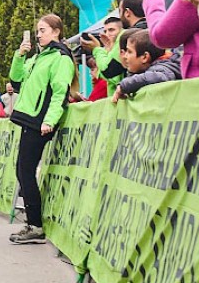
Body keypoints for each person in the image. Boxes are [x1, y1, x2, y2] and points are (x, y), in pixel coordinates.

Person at [7, 14, 75, 245]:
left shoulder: (60, 58)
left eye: (43, 30)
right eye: (37, 30)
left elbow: (60, 92)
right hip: (29, 118)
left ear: (56, 31)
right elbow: (16, 79)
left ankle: (35, 225)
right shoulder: (38, 57)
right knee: (22, 171)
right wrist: (20, 55)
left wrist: (50, 120)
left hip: (40, 121)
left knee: (25, 171)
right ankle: (33, 222)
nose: (38, 34)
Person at [112, 30, 180, 101]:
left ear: (145, 57)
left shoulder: (162, 68)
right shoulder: (147, 70)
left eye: (129, 52)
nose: (125, 56)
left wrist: (125, 85)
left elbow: (160, 77)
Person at [79, 16, 124, 96]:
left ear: (121, 30)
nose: (107, 34)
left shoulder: (121, 45)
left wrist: (96, 49)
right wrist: (107, 51)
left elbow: (110, 75)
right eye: (105, 31)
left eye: (111, 30)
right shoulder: (109, 49)